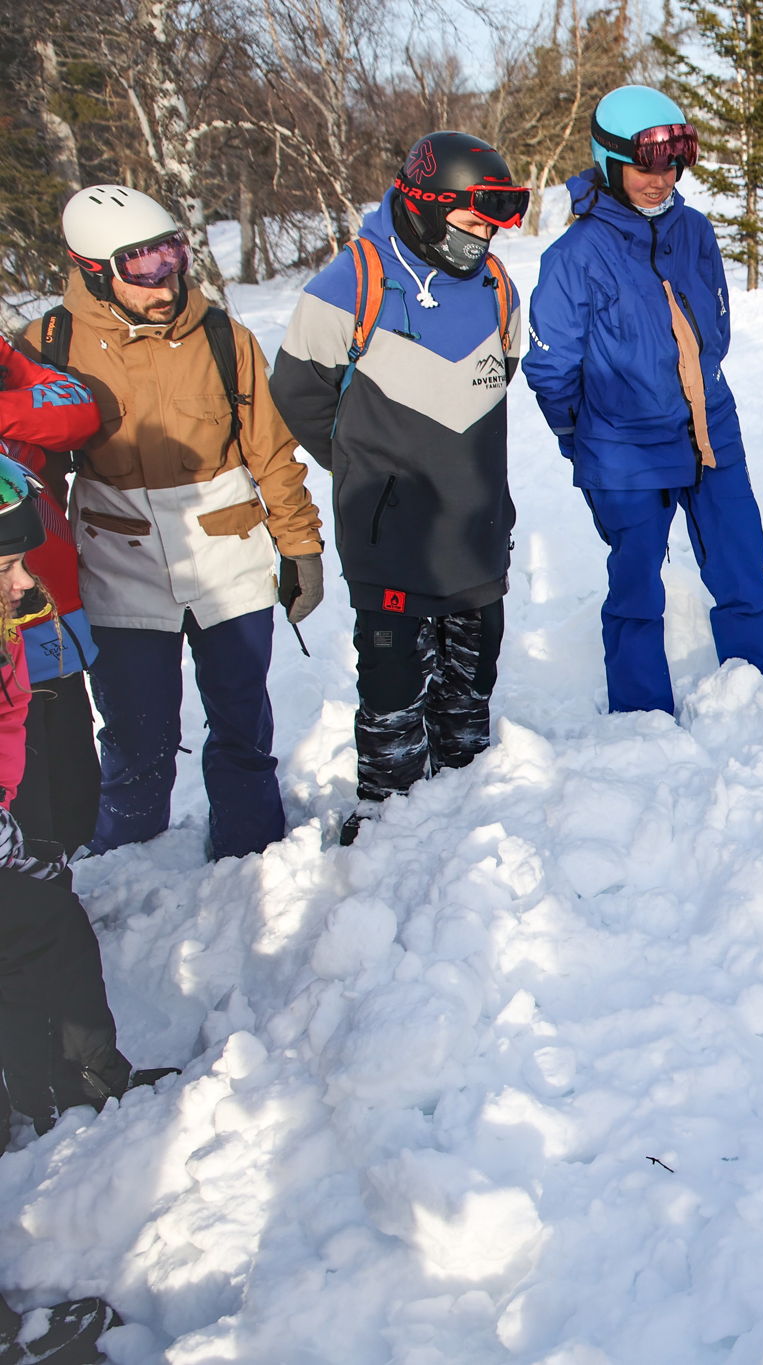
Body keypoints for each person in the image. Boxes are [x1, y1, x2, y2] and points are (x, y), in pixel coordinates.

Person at [17, 185, 324, 860]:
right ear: (95, 270)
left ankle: (251, 854)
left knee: (241, 720)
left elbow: (270, 450)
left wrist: (300, 544)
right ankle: (131, 863)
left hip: (227, 551)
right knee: (136, 732)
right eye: (143, 267)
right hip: (118, 559)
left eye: (172, 255)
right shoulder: (50, 344)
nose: (167, 279)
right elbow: (26, 470)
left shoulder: (221, 335)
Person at [273, 132, 527, 845]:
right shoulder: (350, 281)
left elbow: (499, 373)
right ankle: (388, 826)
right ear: (426, 206)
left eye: (493, 227)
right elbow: (295, 392)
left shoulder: (500, 286)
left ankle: (467, 806)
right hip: (391, 540)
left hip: (475, 533)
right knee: (392, 691)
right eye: (473, 223)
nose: (485, 239)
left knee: (471, 685)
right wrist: (365, 467)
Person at [526, 85, 763, 715]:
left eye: (670, 165)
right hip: (624, 446)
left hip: (710, 423)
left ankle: (753, 696)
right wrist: (585, 440)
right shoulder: (574, 258)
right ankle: (641, 719)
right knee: (636, 586)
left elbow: (713, 325)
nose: (660, 180)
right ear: (608, 162)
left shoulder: (694, 232)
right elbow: (552, 371)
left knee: (742, 565)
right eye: (644, 166)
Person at [0, 458, 167, 1135]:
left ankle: (57, 1088)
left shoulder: (11, 622)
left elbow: (11, 716)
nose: (23, 581)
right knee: (41, 922)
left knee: (42, 920)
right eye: (6, 565)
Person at [0, 333, 103, 863]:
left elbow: (76, 412)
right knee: (21, 798)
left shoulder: (6, 360)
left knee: (73, 791)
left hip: (50, 617)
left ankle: (59, 898)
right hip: (6, 636)